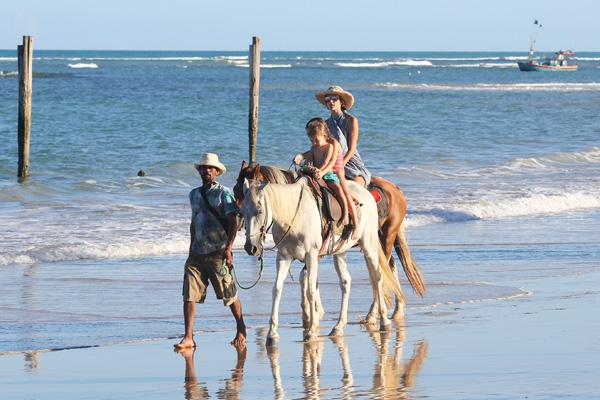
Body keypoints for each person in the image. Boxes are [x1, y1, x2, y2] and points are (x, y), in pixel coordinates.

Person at [175, 152, 246, 350]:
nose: (207, 171)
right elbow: (194, 223)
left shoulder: (224, 193)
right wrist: (190, 250)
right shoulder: (194, 194)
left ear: (217, 172)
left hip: (218, 252)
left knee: (229, 294)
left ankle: (241, 328)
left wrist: (229, 248)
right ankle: (188, 337)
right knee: (189, 295)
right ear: (199, 171)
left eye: (211, 168)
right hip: (196, 253)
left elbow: (233, 222)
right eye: (204, 168)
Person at [293, 118, 358, 236]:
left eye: (316, 140)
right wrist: (300, 157)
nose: (313, 143)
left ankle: (348, 218)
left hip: (332, 171)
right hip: (318, 172)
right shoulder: (314, 147)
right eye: (311, 140)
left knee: (340, 190)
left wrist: (321, 172)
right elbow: (310, 156)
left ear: (324, 135)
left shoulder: (331, 146)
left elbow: (328, 163)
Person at [315, 85, 371, 187]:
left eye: (334, 99)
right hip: (332, 160)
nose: (331, 102)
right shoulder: (325, 124)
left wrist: (341, 164)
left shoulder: (351, 120)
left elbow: (352, 149)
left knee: (355, 189)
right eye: (328, 99)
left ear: (342, 102)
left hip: (350, 161)